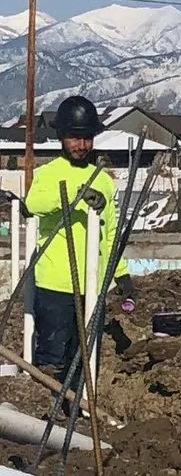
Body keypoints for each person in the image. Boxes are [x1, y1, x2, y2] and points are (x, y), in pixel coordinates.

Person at [24, 95, 136, 396]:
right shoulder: (48, 175)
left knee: (84, 353)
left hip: (92, 285)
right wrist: (76, 192)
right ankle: (48, 408)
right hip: (55, 285)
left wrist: (121, 274)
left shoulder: (104, 181)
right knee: (52, 353)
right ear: (61, 137)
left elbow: (110, 233)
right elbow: (33, 204)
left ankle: (77, 406)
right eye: (74, 137)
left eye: (86, 137)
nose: (81, 145)